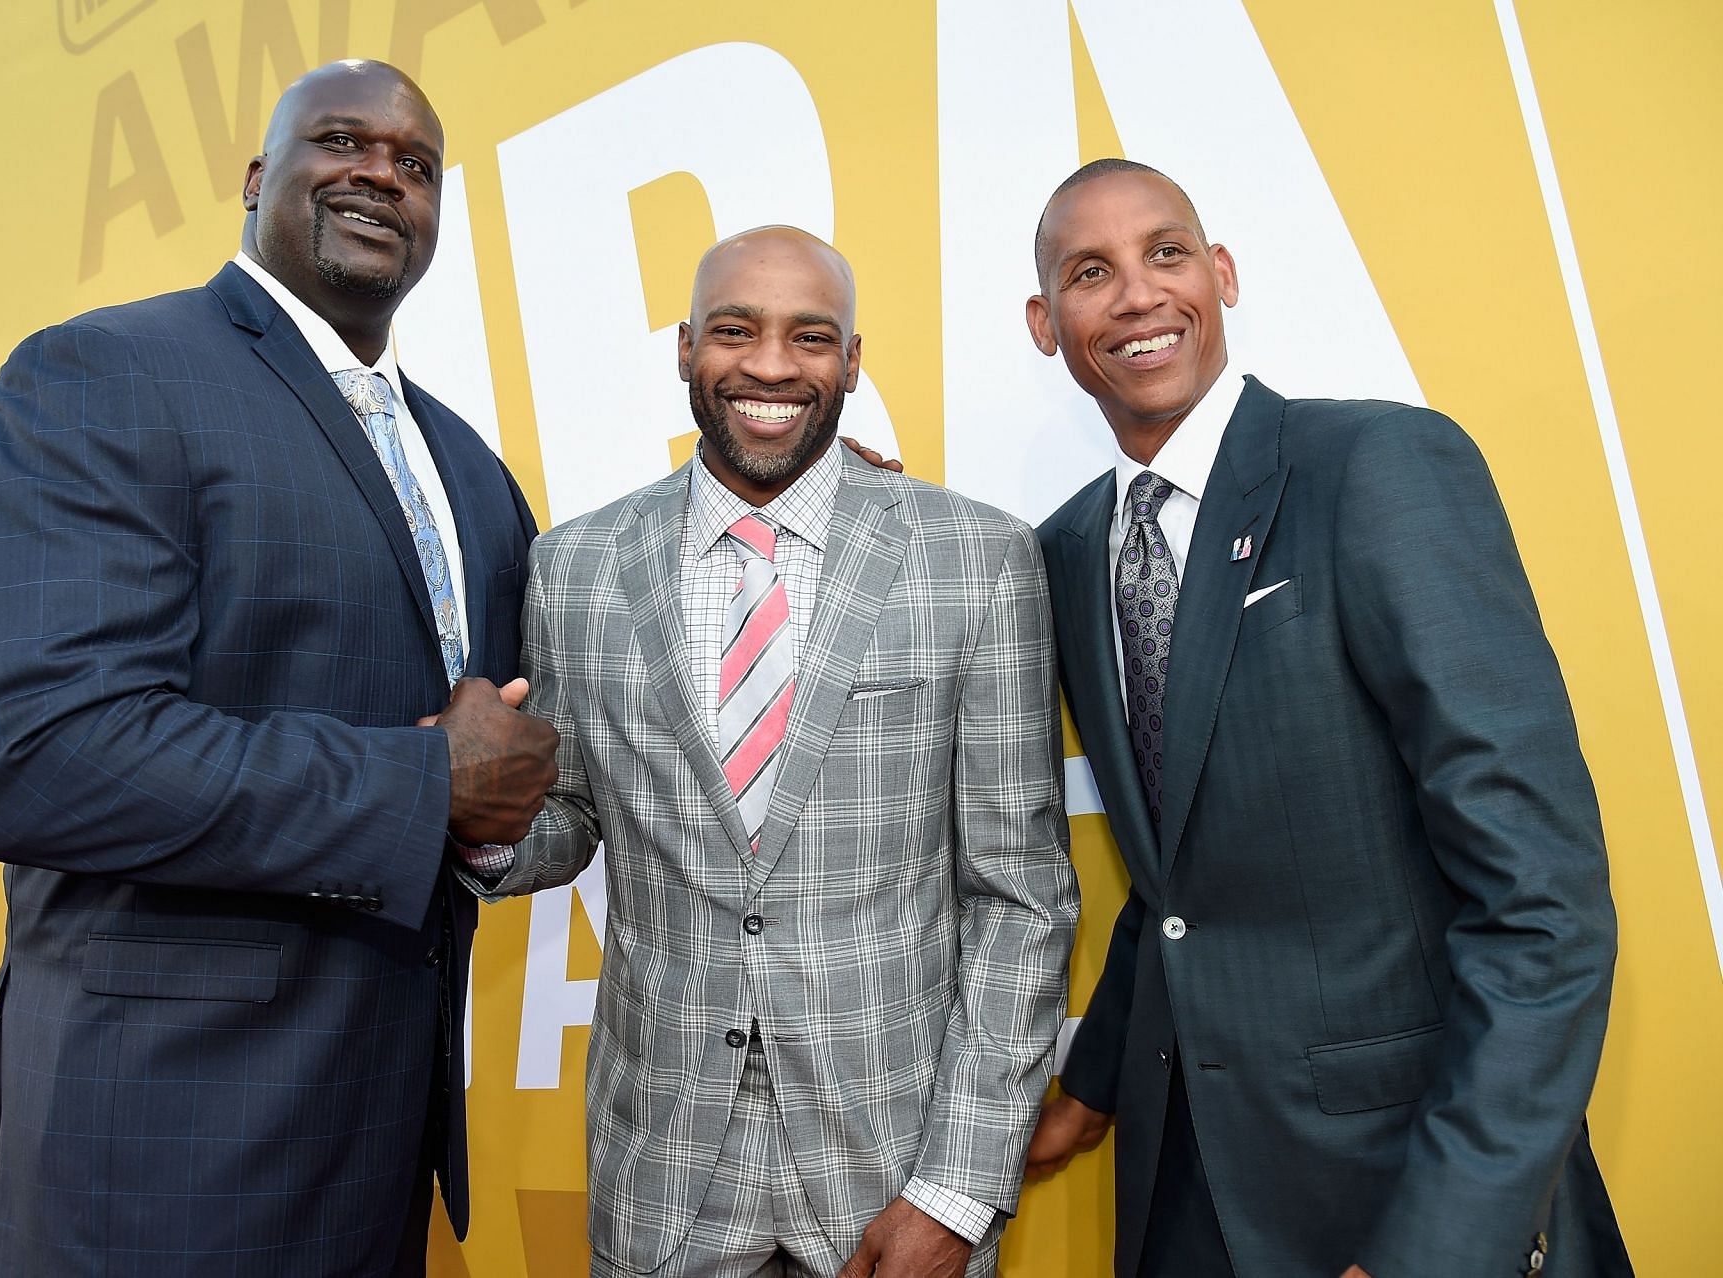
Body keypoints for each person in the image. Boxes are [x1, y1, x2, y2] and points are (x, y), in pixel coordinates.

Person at [0, 60, 556, 1277]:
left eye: (417, 165)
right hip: (163, 1155)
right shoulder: (106, 374)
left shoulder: (474, 475)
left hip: (379, 1163)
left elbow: (512, 760)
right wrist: (422, 783)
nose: (383, 172)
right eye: (342, 141)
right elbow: (31, 754)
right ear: (259, 178)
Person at [1020, 158, 1630, 1278]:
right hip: (1183, 1191)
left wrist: (1437, 1246)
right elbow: (1175, 877)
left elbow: (1543, 901)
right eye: (1090, 271)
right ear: (1046, 323)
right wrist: (1092, 1087)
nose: (1140, 294)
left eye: (1167, 253)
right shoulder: (1060, 552)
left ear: (1223, 274)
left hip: (1399, 1182)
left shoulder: (1377, 465)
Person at [469, 227, 1079, 1278]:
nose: (769, 365)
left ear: (850, 361)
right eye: (734, 330)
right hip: (662, 1166)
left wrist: (960, 1189)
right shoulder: (575, 566)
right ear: (683, 348)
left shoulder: (977, 559)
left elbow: (1019, 898)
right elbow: (566, 819)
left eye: (810, 337)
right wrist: (470, 811)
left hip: (893, 1165)